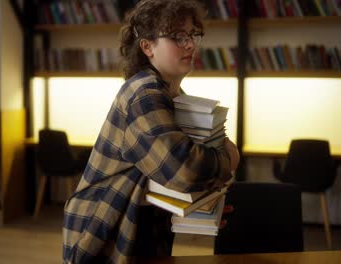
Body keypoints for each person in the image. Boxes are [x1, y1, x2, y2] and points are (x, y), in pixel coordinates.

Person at [62, 0, 240, 263]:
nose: (190, 44)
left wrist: (203, 205)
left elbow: (165, 175)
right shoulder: (144, 93)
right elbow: (185, 170)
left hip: (140, 227)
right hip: (102, 231)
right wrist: (228, 160)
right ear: (147, 47)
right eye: (177, 37)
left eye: (192, 35)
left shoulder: (173, 93)